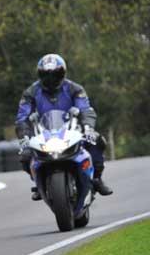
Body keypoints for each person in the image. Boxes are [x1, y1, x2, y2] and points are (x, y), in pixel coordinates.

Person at [15, 53, 113, 200]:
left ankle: (97, 179)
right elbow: (22, 117)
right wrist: (24, 137)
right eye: (46, 75)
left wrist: (88, 128)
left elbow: (86, 109)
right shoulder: (31, 92)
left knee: (97, 141)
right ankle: (39, 184)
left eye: (55, 75)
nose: (51, 79)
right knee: (25, 154)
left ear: (63, 73)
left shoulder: (75, 89)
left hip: (73, 129)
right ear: (39, 75)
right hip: (44, 133)